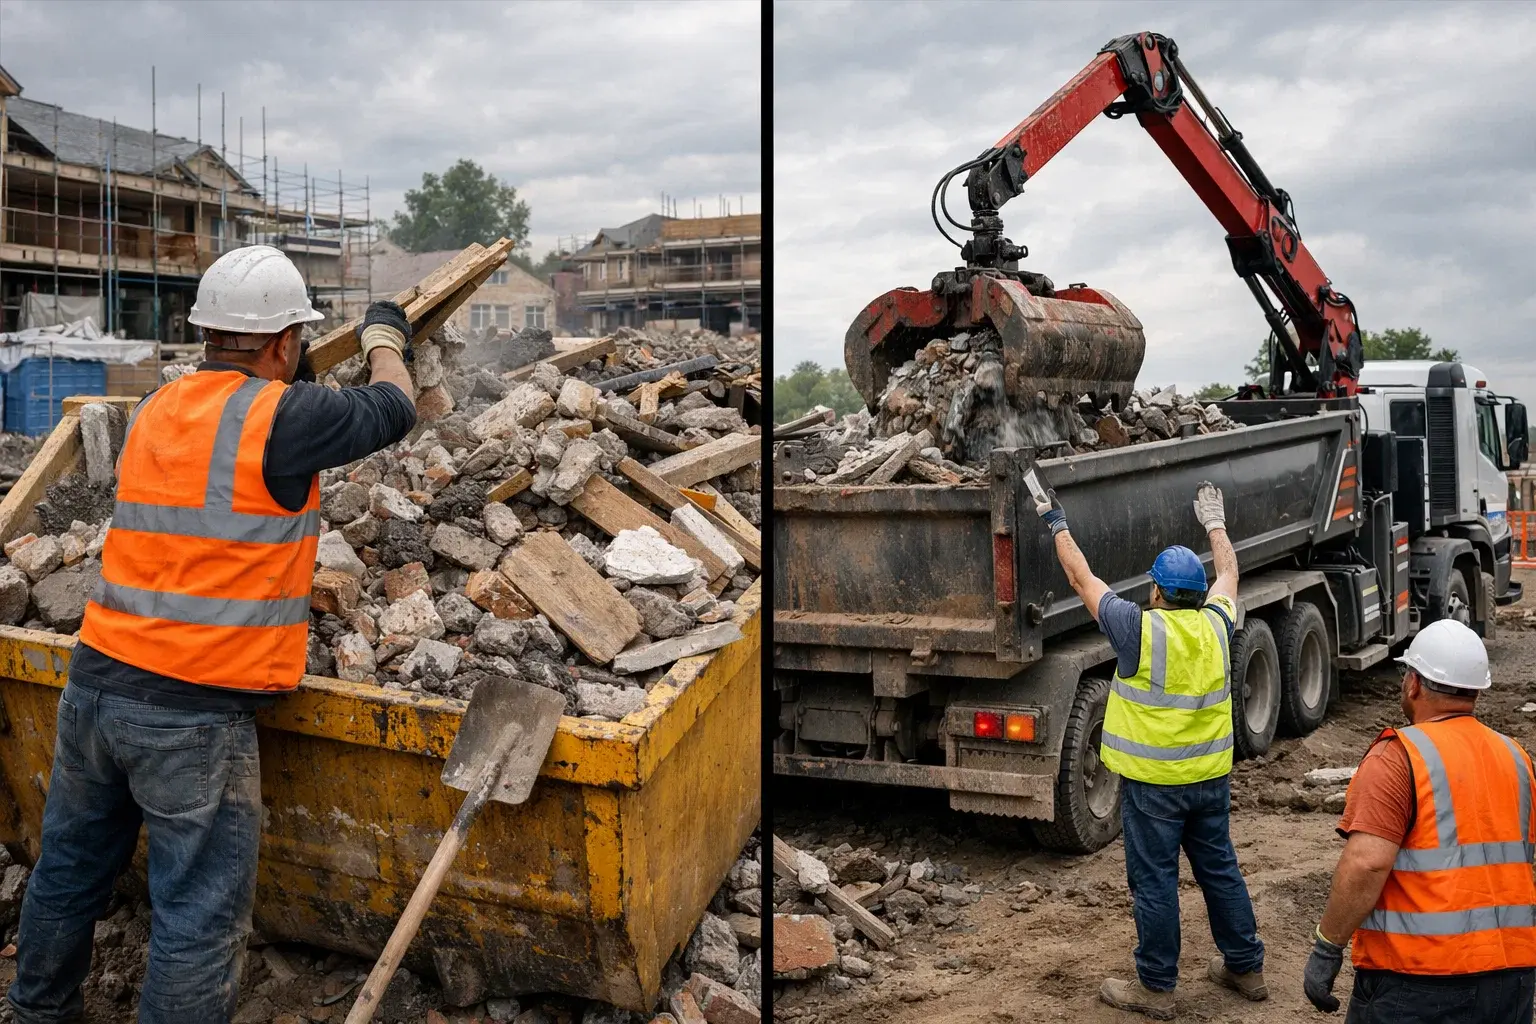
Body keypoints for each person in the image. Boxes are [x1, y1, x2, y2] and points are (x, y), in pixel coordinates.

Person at [7, 245, 418, 1024]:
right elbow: (391, 408)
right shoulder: (284, 417)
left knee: (65, 873)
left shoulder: (158, 408)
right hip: (192, 714)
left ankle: (34, 1014)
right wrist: (383, 338)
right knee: (196, 917)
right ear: (280, 343)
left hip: (95, 685)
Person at [1037, 479, 1264, 1020]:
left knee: (1155, 881)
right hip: (1209, 783)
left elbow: (1081, 577)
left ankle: (1157, 987)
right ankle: (1245, 967)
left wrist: (1056, 522)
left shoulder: (1137, 629)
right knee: (1220, 869)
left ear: (1157, 591)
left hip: (1153, 789)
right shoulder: (1216, 625)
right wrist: (1215, 522)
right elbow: (1230, 573)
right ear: (1198, 592)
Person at [1303, 618, 1536, 1022]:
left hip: (1419, 980)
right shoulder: (1516, 757)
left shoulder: (1398, 756)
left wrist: (1328, 946)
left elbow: (1367, 862)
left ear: (1413, 683)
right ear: (1477, 690)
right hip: (1511, 977)